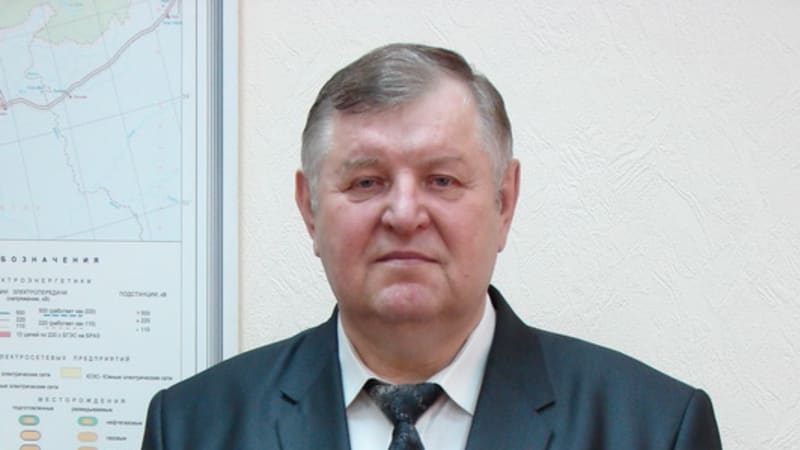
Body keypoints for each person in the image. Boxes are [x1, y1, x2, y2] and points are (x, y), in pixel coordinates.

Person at [141, 43, 722, 450]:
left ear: (504, 202)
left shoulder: (654, 429)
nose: (403, 214)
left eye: (441, 180)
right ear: (309, 209)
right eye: (366, 182)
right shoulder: (191, 428)